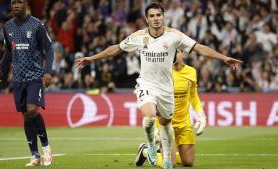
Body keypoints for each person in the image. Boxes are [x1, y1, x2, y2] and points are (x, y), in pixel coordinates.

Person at [76, 3, 242, 169]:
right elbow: (116, 49)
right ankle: (150, 145)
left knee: (168, 130)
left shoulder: (174, 36)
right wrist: (92, 58)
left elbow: (200, 48)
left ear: (163, 16)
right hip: (146, 84)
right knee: (149, 116)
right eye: (152, 16)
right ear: (147, 19)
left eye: (158, 15)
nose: (156, 19)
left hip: (165, 89)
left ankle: (155, 155)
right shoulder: (139, 36)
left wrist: (223, 58)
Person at [0, 0, 53, 166]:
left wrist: (47, 71)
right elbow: (8, 50)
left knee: (32, 109)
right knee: (26, 115)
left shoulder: (37, 25)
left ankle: (47, 148)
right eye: (13, 3)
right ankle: (35, 155)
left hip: (35, 76)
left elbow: (49, 48)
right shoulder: (8, 27)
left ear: (26, 4)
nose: (15, 6)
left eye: (19, 2)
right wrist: (1, 68)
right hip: (18, 78)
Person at [135, 50, 206, 168]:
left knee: (188, 162)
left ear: (182, 54)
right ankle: (145, 151)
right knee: (170, 163)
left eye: (176, 52)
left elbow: (193, 95)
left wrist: (201, 116)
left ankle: (149, 151)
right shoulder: (161, 72)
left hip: (184, 122)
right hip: (166, 121)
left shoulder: (191, 72)